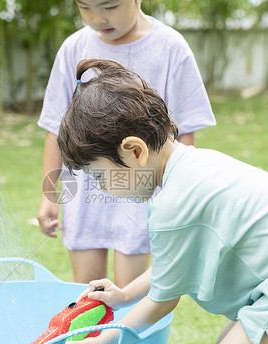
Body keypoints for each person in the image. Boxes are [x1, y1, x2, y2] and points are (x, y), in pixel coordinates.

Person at [57, 59, 268, 344]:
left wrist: (102, 341)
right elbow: (172, 263)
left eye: (100, 176)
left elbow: (163, 301)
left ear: (135, 152)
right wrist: (124, 295)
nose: (103, 188)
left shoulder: (174, 205)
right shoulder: (190, 167)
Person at [36, 0, 216, 287]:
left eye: (110, 6)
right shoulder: (73, 48)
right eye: (85, 8)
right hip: (86, 191)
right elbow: (55, 127)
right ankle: (93, 335)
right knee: (88, 295)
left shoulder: (170, 47)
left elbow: (185, 133)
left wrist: (179, 199)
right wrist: (49, 194)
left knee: (129, 294)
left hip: (143, 190)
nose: (97, 18)